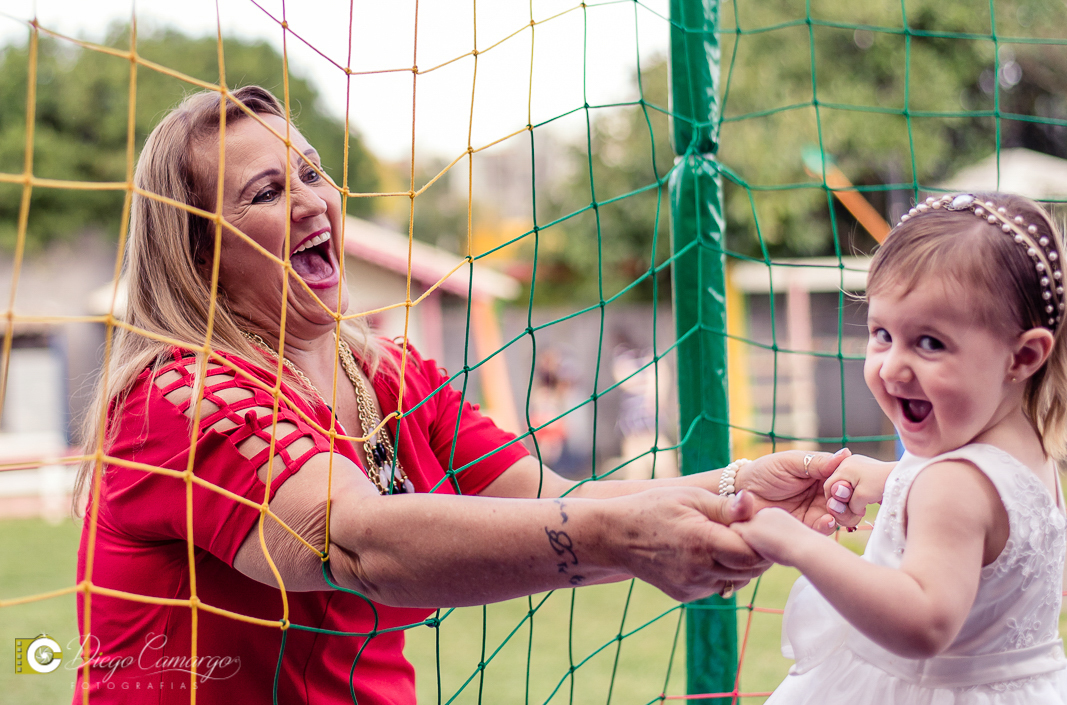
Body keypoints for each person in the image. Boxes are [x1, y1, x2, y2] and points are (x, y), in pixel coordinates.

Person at [71, 85, 860, 704]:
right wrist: (627, 538)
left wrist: (732, 494)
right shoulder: (175, 396)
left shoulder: (386, 372)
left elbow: (552, 496)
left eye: (313, 170)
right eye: (269, 191)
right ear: (198, 253)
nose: (314, 200)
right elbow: (359, 545)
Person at [731, 192, 1067, 703]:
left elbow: (923, 623)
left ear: (1023, 356)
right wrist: (888, 480)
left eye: (930, 343)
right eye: (882, 334)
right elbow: (980, 522)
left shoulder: (952, 485)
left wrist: (797, 545)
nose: (893, 366)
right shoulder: (1022, 443)